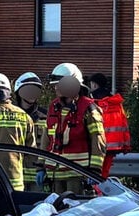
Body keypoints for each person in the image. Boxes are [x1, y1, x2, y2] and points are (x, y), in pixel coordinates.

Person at [41, 62, 106, 193]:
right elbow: (47, 139)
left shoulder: (88, 107)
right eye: (55, 85)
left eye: (59, 85)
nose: (56, 89)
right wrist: (41, 167)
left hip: (78, 174)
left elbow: (98, 139)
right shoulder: (53, 106)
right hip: (55, 174)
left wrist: (94, 169)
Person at [87, 72, 131, 178]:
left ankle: (98, 192)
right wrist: (126, 145)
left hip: (98, 144)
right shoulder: (115, 102)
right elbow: (124, 123)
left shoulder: (92, 102)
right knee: (104, 173)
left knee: (94, 173)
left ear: (94, 85)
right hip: (114, 146)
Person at [14, 72, 48, 192]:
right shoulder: (11, 116)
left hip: (37, 176)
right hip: (15, 175)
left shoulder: (45, 116)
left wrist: (44, 168)